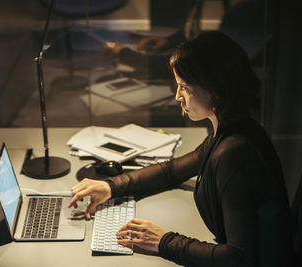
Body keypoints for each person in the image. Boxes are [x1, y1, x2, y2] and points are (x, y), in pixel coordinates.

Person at [68, 31, 294, 266]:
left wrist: (163, 241)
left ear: (215, 89)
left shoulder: (235, 152)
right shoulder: (230, 128)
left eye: (184, 87)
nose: (177, 97)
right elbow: (172, 170)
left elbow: (238, 257)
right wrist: (110, 186)